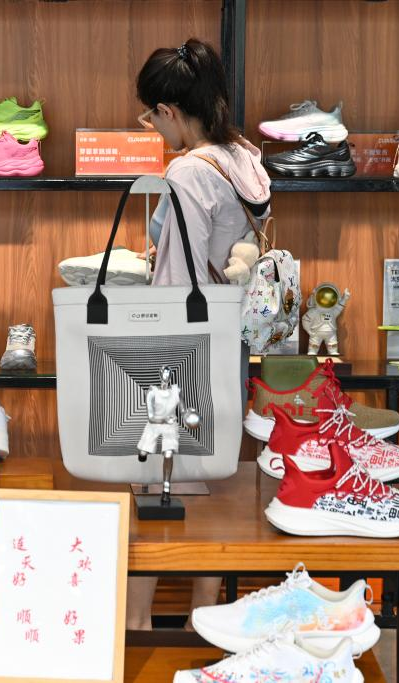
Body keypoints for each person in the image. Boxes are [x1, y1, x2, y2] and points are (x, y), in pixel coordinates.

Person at [127, 38, 271, 630]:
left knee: (156, 484)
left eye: (150, 116)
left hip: (180, 346)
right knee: (208, 478)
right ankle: (201, 620)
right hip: (229, 339)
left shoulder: (188, 170)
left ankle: (136, 626)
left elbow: (177, 283)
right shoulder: (244, 157)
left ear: (168, 110)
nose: (153, 126)